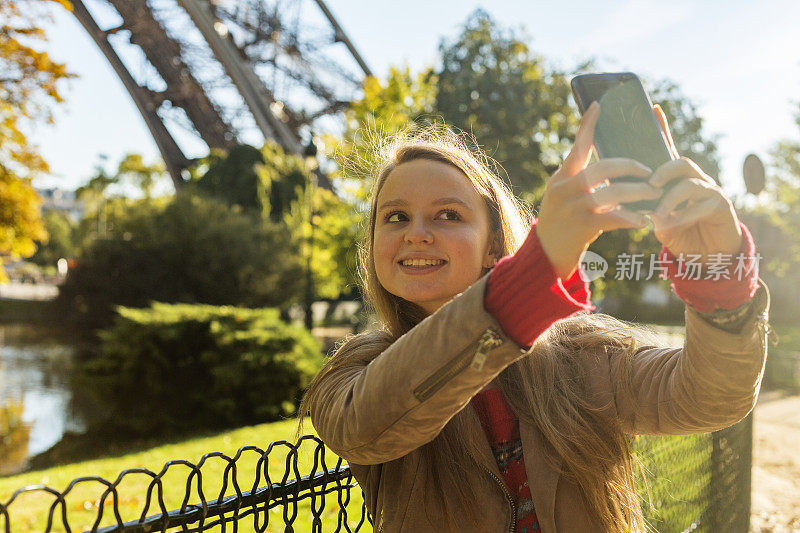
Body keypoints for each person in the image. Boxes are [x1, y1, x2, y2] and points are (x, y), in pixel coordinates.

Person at [295, 102, 772, 532]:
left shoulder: (582, 355)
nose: (417, 233)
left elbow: (711, 399)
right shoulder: (356, 370)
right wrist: (532, 276)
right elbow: (365, 428)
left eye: (447, 215)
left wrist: (722, 281)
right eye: (395, 216)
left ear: (496, 247)